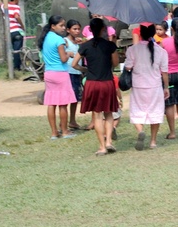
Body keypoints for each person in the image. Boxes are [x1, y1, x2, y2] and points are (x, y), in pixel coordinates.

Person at [73, 18, 120, 155]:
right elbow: (116, 63)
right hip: (107, 82)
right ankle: (109, 141)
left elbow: (74, 64)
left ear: (90, 30)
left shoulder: (85, 46)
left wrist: (85, 70)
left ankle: (101, 147)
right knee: (109, 113)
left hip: (92, 83)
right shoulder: (109, 45)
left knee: (97, 115)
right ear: (103, 29)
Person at [124, 24, 169, 150]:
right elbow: (164, 72)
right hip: (155, 86)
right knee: (155, 112)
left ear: (140, 33)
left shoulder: (133, 49)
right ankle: (153, 141)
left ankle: (140, 131)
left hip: (138, 85)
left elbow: (128, 67)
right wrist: (166, 87)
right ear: (153, 33)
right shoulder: (161, 51)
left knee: (137, 110)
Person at [39, 16, 77, 139]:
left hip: (49, 73)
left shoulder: (46, 38)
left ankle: (54, 132)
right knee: (63, 104)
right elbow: (63, 59)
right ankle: (65, 131)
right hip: (60, 73)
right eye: (61, 25)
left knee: (51, 104)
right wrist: (69, 53)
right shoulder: (59, 40)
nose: (63, 28)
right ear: (53, 26)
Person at [0, 0, 25, 74]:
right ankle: (17, 68)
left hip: (9, 32)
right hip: (17, 31)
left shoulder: (5, 6)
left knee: (13, 50)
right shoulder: (16, 7)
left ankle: (14, 67)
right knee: (18, 50)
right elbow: (16, 16)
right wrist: (22, 26)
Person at [64, 19, 86, 131]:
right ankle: (64, 122)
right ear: (68, 30)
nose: (77, 31)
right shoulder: (65, 41)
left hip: (77, 72)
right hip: (68, 72)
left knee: (75, 98)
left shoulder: (78, 42)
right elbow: (61, 55)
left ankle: (72, 120)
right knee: (67, 99)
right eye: (74, 29)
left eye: (78, 29)